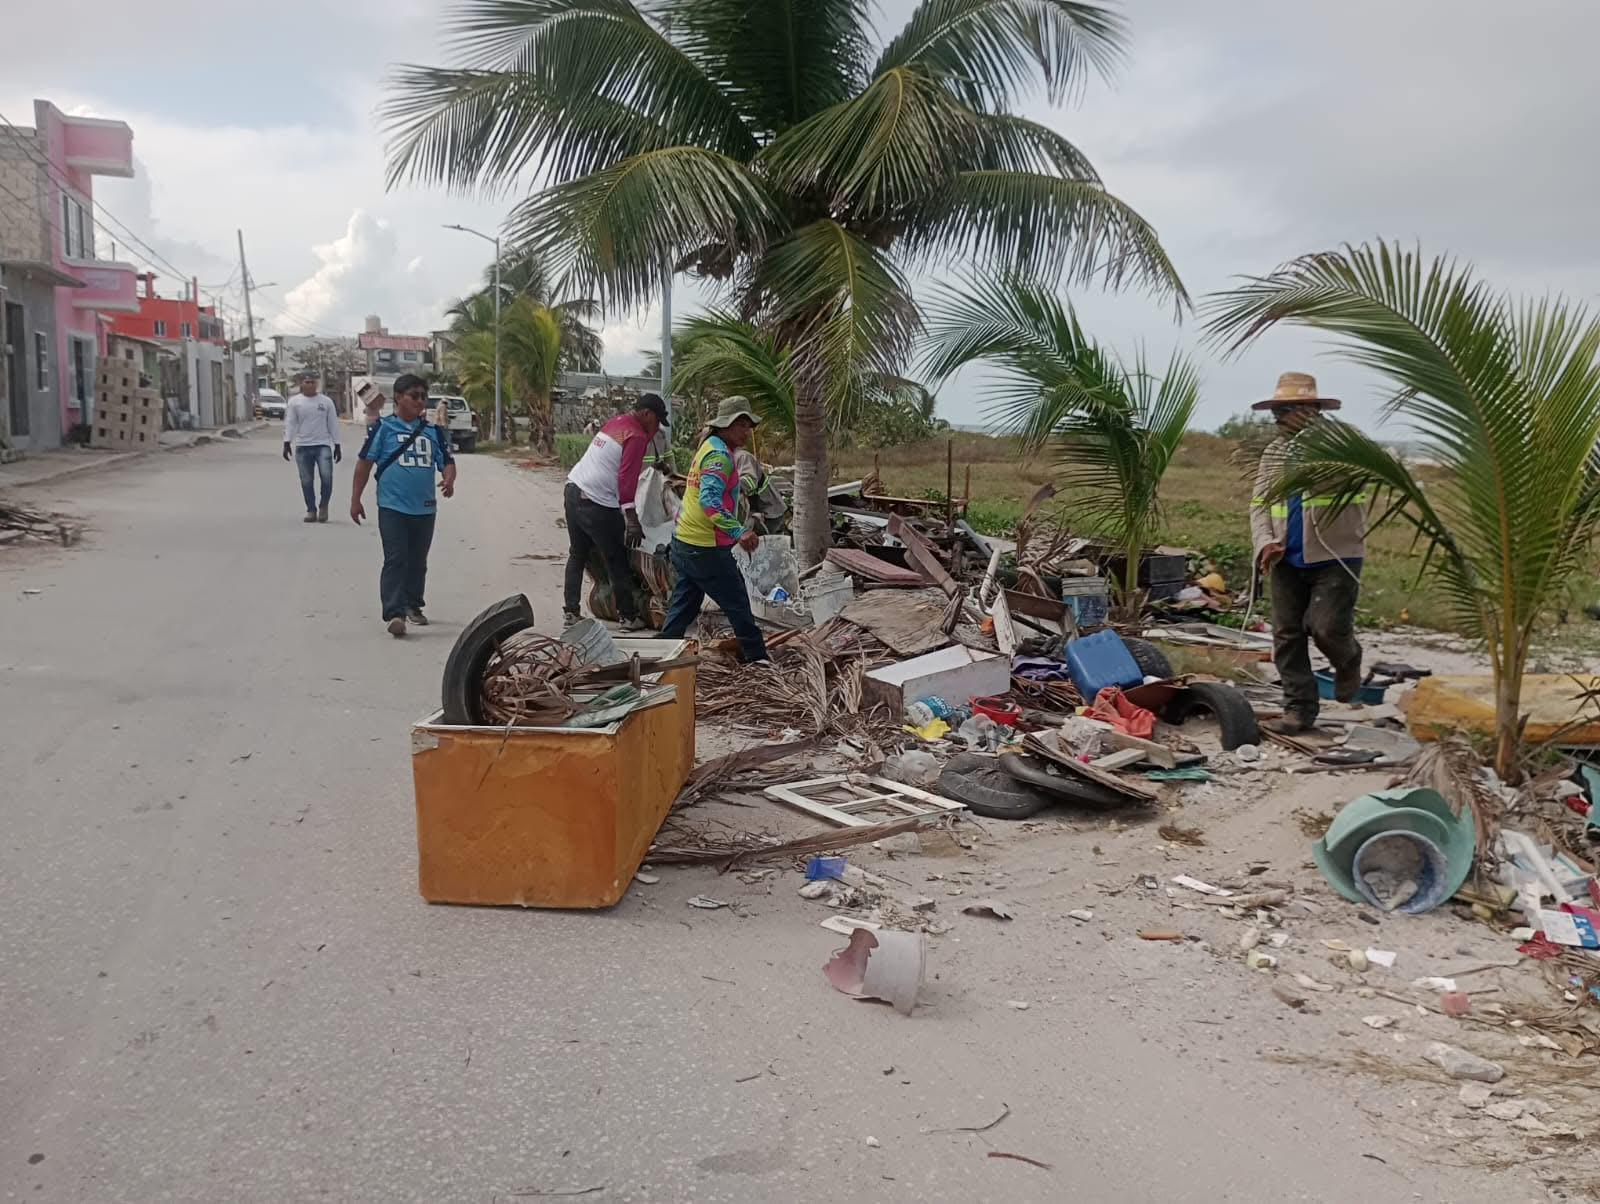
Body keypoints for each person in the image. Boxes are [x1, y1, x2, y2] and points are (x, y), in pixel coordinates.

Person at [1250, 372, 1367, 733]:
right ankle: (1299, 708)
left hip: (1337, 554)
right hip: (1286, 555)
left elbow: (1362, 477)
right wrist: (1264, 542)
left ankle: (1348, 663)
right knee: (1286, 635)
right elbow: (1259, 504)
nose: (1278, 418)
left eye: (1285, 410)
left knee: (1327, 628)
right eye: (1276, 410)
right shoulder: (1275, 452)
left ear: (1311, 409)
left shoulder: (1344, 444)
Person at [659, 397, 768, 662]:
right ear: (726, 425)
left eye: (748, 426)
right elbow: (710, 500)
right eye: (742, 425)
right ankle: (758, 660)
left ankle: (660, 655)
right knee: (738, 602)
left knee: (683, 607)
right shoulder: (719, 455)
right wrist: (738, 531)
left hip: (685, 541)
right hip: (704, 547)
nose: (746, 431)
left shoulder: (709, 446)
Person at [350, 374, 457, 638]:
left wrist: (449, 478)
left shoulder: (433, 432)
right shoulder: (384, 429)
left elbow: (447, 462)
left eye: (424, 397)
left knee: (418, 561)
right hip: (392, 506)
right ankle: (394, 613)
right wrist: (356, 499)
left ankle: (413, 604)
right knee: (396, 558)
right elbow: (365, 464)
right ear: (399, 397)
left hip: (425, 507)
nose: (420, 402)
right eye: (414, 396)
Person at [562, 392, 670, 631]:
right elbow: (626, 479)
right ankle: (628, 616)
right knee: (617, 559)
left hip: (573, 490)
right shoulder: (637, 435)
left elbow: (616, 463)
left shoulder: (617, 422)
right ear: (646, 414)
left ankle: (570, 612)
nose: (658, 427)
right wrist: (632, 520)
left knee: (577, 554)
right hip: (597, 502)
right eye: (657, 420)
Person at [282, 369, 341, 523]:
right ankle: (311, 509)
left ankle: (323, 506)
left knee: (327, 478)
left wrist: (337, 444)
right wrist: (287, 442)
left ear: (317, 384)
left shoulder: (326, 402)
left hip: (322, 445)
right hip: (303, 446)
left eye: (313, 382)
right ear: (301, 383)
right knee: (306, 480)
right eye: (307, 382)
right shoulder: (295, 402)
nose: (310, 385)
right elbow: (291, 422)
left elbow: (333, 423)